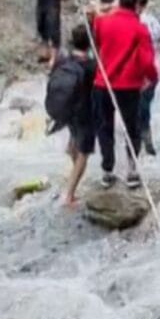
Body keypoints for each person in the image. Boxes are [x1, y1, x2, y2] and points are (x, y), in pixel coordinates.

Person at [92, 0, 158, 189]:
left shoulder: (102, 22)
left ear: (119, 2)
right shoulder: (141, 29)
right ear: (136, 5)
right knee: (132, 128)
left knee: (105, 127)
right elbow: (148, 62)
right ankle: (131, 170)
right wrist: (152, 78)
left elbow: (98, 44)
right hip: (129, 86)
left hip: (103, 84)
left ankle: (107, 170)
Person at [61, 25, 97, 209]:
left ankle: (73, 166)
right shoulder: (92, 66)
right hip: (86, 112)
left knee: (74, 141)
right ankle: (70, 195)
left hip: (68, 110)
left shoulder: (65, 61)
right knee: (85, 152)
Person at [135, 0, 160, 156]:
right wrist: (159, 50)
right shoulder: (152, 20)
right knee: (145, 104)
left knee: (139, 106)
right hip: (154, 67)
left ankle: (141, 139)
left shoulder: (138, 22)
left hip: (142, 69)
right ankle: (146, 139)